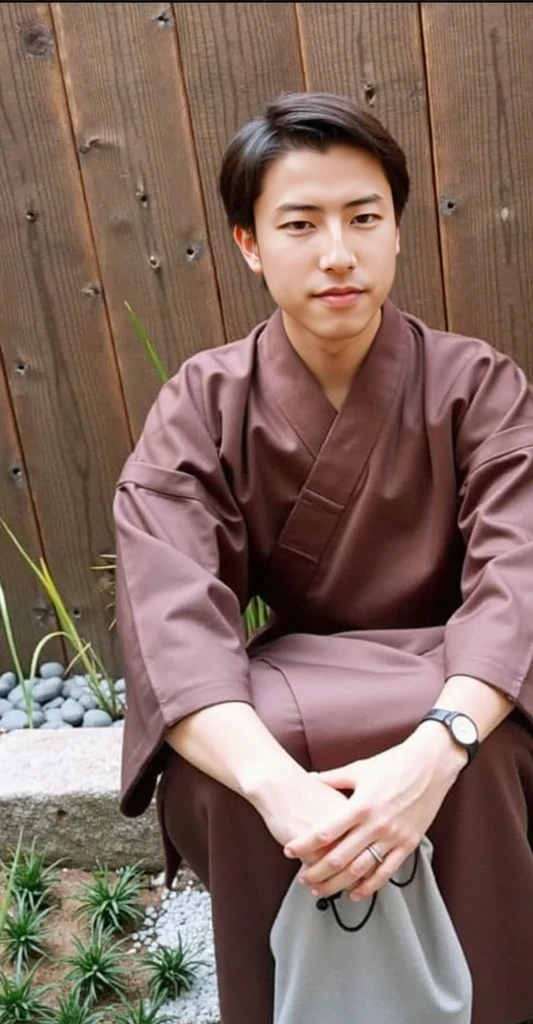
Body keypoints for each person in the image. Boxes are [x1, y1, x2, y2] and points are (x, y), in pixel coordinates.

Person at [112, 92, 533, 1024]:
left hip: (459, 686)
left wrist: (437, 749)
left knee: (492, 749)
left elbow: (517, 584)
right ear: (250, 243)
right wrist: (276, 789)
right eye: (299, 224)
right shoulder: (201, 402)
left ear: (395, 234)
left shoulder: (479, 385)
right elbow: (168, 613)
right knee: (225, 773)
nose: (336, 252)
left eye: (363, 218)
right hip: (283, 688)